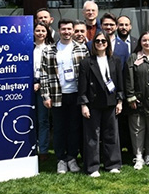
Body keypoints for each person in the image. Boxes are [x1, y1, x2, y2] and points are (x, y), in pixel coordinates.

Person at [40, 19, 90, 174]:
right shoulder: (49, 50)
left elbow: (87, 74)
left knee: (74, 128)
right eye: (63, 29)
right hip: (57, 94)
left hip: (76, 94)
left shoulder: (82, 49)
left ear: (73, 30)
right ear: (59, 30)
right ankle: (61, 159)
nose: (67, 32)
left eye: (69, 29)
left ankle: (72, 157)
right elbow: (44, 74)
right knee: (59, 128)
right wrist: (46, 96)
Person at [79, 30, 124, 176]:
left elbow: (119, 82)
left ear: (107, 43)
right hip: (93, 103)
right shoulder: (86, 62)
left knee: (111, 134)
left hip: (111, 102)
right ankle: (93, 167)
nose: (100, 43)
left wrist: (120, 101)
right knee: (92, 136)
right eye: (97, 41)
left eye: (103, 41)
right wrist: (84, 105)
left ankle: (113, 164)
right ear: (93, 44)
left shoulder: (115, 60)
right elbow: (82, 86)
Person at [126, 31, 149, 170]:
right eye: (144, 40)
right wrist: (131, 96)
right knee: (137, 128)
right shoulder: (134, 57)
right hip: (138, 98)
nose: (147, 43)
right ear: (140, 42)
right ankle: (138, 156)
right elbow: (128, 78)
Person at [32, 21, 53, 158]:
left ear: (47, 33)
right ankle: (30, 149)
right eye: (38, 30)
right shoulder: (28, 48)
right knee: (29, 119)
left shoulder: (51, 49)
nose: (40, 33)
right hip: (27, 87)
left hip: (44, 88)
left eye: (43, 31)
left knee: (43, 120)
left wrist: (39, 82)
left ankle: (43, 150)